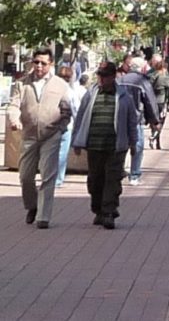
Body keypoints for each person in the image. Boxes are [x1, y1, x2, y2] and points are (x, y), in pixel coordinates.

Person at [71, 61, 139, 229]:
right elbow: (80, 117)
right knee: (95, 180)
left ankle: (109, 212)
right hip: (94, 144)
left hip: (116, 145)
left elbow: (132, 120)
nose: (102, 79)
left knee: (112, 179)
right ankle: (99, 209)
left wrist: (133, 142)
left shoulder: (124, 96)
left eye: (106, 76)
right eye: (100, 75)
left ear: (113, 76)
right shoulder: (90, 94)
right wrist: (76, 141)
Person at [9, 48, 72, 228]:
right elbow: (13, 105)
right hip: (29, 135)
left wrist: (60, 127)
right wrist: (15, 119)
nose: (39, 66)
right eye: (36, 62)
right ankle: (32, 206)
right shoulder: (22, 84)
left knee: (47, 175)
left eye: (43, 63)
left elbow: (67, 110)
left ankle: (43, 217)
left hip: (50, 136)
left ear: (50, 64)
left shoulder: (60, 85)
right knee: (26, 176)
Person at [118, 56, 161, 186]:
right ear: (142, 68)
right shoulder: (142, 81)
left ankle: (119, 171)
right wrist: (155, 120)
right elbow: (150, 101)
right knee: (137, 146)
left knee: (121, 145)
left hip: (120, 118)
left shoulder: (120, 80)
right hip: (136, 118)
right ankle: (134, 174)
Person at [56, 64, 86, 188]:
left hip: (51, 126)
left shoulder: (51, 89)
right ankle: (58, 179)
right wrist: (78, 127)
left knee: (50, 153)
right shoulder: (70, 92)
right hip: (66, 127)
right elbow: (76, 111)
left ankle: (51, 177)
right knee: (61, 154)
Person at [147, 54, 169, 150]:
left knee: (155, 120)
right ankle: (155, 137)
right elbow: (167, 88)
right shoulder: (163, 74)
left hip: (152, 100)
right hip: (161, 100)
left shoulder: (151, 74)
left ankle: (155, 138)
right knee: (160, 121)